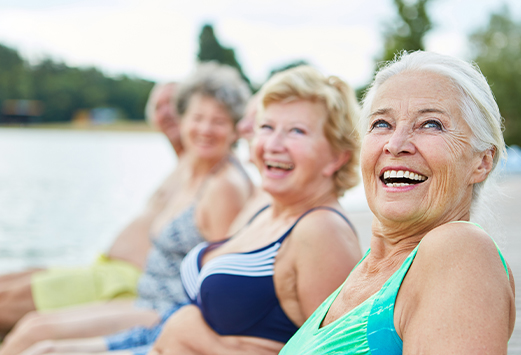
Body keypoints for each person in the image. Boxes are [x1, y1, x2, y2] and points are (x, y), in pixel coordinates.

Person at [21, 65, 365, 355]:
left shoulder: (322, 232)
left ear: (337, 156)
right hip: (153, 340)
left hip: (173, 340)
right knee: (43, 349)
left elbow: (333, 350)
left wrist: (196, 339)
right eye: (266, 127)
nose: (273, 145)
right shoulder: (271, 209)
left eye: (297, 131)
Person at [0, 62, 253, 355]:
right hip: (144, 299)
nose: (206, 129)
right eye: (198, 118)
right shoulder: (194, 169)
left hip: (167, 311)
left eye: (219, 121)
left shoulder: (225, 187)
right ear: (182, 120)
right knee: (32, 323)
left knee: (36, 332)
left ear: (235, 129)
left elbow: (220, 287)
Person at [280, 51, 516, 354]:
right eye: (381, 124)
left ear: (482, 162)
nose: (395, 144)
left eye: (431, 124)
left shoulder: (460, 249)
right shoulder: (362, 275)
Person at [0, 81, 182, 334]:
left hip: (122, 282)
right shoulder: (181, 167)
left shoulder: (210, 171)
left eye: (174, 104)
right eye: (159, 106)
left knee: (4, 301)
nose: (166, 113)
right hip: (103, 269)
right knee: (8, 281)